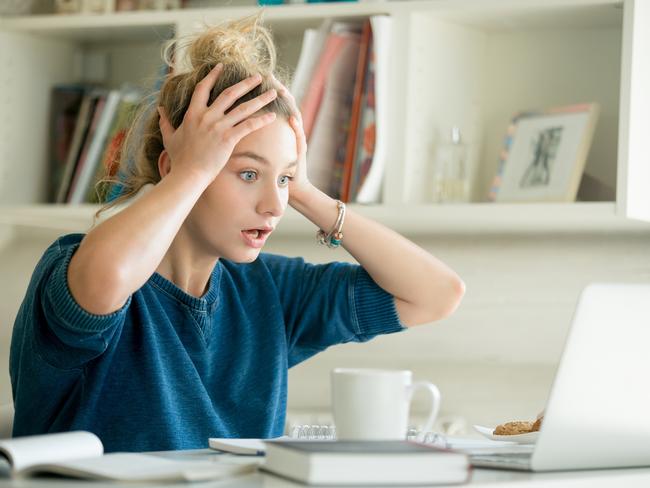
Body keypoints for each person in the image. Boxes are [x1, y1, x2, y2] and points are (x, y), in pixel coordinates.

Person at [10, 15, 465, 452]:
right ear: (176, 167)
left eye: (282, 181)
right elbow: (106, 280)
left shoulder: (269, 290)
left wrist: (306, 192)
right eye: (248, 174)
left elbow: (436, 293)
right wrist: (190, 174)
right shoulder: (73, 266)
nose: (274, 205)